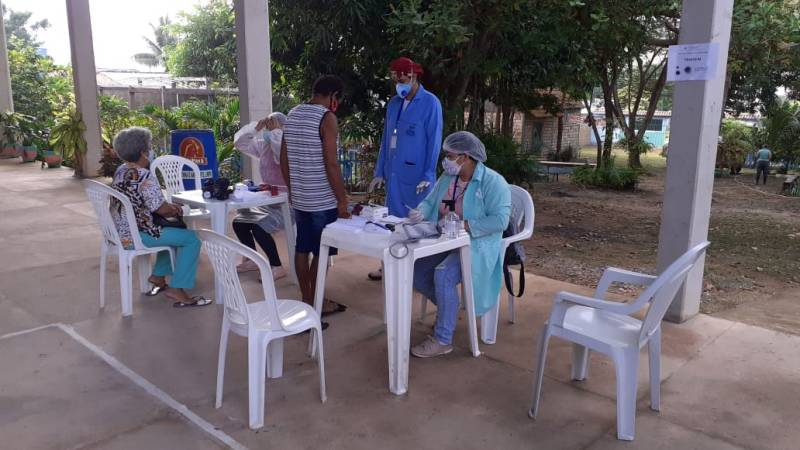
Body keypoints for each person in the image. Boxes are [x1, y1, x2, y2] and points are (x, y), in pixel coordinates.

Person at [407, 131, 511, 358]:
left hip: (475, 244)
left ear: (465, 157)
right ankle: (448, 309)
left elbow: (500, 220)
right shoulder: (449, 179)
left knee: (443, 274)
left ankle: (443, 339)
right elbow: (431, 201)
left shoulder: (493, 182)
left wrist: (467, 225)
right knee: (416, 269)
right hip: (444, 239)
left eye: (450, 155)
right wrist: (420, 212)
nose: (446, 160)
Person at [110, 127, 211, 307]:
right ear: (142, 152)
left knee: (172, 232)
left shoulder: (120, 170)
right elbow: (161, 209)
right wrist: (177, 209)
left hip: (121, 233)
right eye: (149, 148)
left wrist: (167, 208)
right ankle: (177, 288)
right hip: (137, 235)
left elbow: (148, 204)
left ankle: (158, 276)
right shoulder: (144, 175)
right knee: (191, 239)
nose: (150, 151)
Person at [281, 75, 350, 322]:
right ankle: (314, 301)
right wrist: (342, 200)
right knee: (322, 251)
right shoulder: (327, 118)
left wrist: (293, 188)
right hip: (322, 199)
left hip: (300, 197)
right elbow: (331, 163)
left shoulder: (293, 114)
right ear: (332, 96)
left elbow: (284, 159)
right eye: (337, 99)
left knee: (302, 247)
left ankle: (308, 299)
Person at [367, 56, 443, 281]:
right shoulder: (393, 104)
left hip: (418, 176)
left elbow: (434, 140)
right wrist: (379, 170)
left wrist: (429, 172)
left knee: (418, 223)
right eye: (396, 78)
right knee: (393, 222)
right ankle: (389, 265)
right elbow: (386, 139)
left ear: (414, 76)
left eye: (404, 77)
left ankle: (418, 271)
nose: (400, 82)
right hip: (394, 174)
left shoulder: (430, 103)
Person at [232, 112, 289, 280]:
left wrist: (276, 132)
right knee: (239, 222)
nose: (268, 128)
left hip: (287, 201)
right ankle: (251, 260)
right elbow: (240, 143)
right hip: (268, 198)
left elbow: (281, 156)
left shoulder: (286, 145)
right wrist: (255, 129)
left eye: (272, 124)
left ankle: (277, 266)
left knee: (259, 226)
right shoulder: (264, 144)